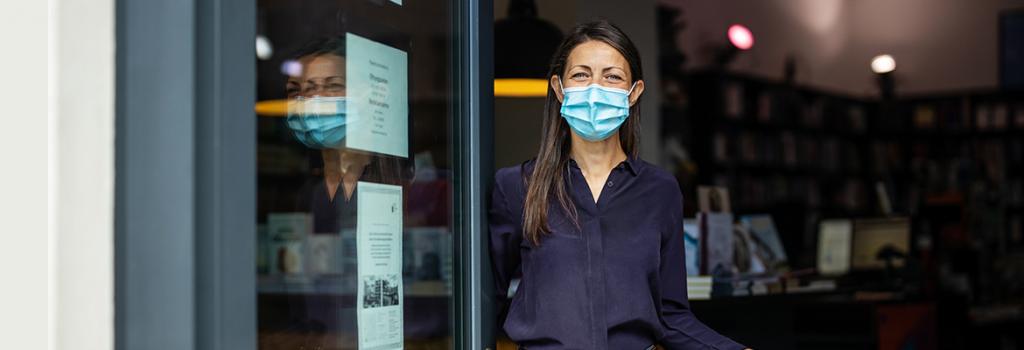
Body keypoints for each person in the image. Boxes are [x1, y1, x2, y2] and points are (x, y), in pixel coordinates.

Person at [489, 20, 750, 350]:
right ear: (558, 88)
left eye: (612, 76)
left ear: (634, 92)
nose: (595, 89)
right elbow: (485, 303)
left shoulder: (660, 190)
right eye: (581, 75)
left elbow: (670, 316)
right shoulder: (515, 187)